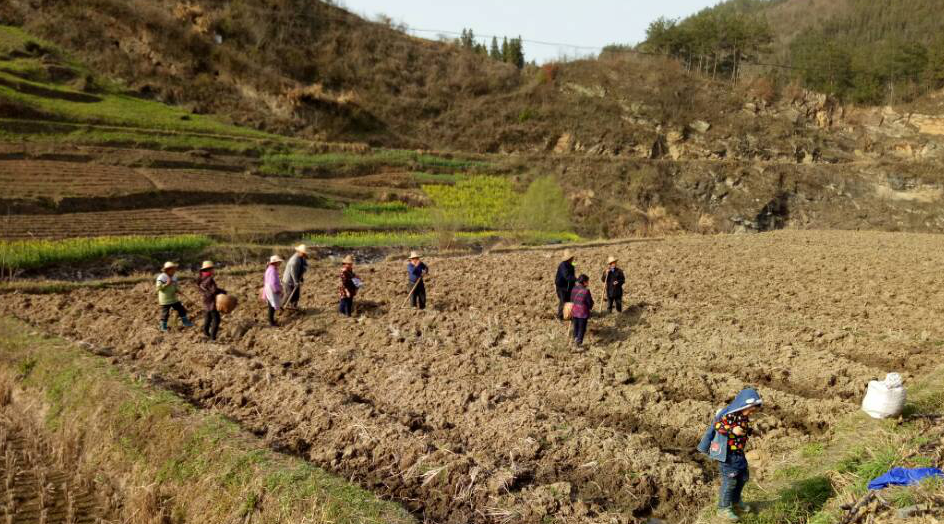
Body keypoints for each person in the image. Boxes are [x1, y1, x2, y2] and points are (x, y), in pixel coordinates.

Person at [698, 388, 764, 521]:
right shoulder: (728, 415)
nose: (752, 412)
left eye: (754, 410)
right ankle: (723, 508)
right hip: (727, 456)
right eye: (751, 409)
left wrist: (751, 431)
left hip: (738, 453)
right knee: (730, 482)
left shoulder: (743, 416)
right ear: (743, 404)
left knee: (743, 477)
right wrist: (732, 429)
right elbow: (718, 426)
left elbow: (743, 428)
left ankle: (735, 501)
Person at [156, 261, 193, 332]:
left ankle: (185, 322)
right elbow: (158, 288)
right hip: (165, 299)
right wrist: (166, 284)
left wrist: (177, 290)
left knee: (181, 309)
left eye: (174, 269)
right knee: (165, 314)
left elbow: (175, 286)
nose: (174, 271)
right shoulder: (162, 277)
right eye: (172, 269)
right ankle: (163, 327)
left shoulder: (174, 277)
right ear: (168, 270)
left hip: (173, 298)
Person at [195, 260, 226, 341]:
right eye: (213, 269)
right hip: (211, 300)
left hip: (205, 299)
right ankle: (213, 337)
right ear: (209, 269)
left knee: (208, 317)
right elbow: (214, 290)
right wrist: (223, 291)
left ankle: (206, 332)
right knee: (216, 319)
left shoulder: (201, 278)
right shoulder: (209, 279)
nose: (214, 270)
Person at [281, 244, 309, 310]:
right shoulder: (295, 260)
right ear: (299, 252)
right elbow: (293, 273)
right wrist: (296, 282)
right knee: (289, 293)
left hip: (296, 278)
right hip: (289, 280)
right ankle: (281, 305)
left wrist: (305, 267)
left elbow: (305, 264)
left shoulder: (301, 257)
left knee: (296, 294)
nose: (304, 255)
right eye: (303, 253)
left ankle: (294, 306)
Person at [570, 274, 594, 348]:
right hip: (582, 313)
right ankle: (578, 342)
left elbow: (571, 299)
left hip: (574, 311)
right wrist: (590, 306)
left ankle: (575, 339)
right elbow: (589, 302)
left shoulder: (574, 288)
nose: (588, 283)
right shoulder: (586, 291)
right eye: (587, 281)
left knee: (575, 326)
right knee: (582, 328)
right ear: (584, 282)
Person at [554, 251, 577, 320]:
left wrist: (574, 284)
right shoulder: (563, 265)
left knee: (570, 300)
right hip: (561, 286)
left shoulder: (571, 264)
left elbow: (572, 274)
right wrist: (576, 279)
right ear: (569, 258)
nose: (573, 258)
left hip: (569, 286)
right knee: (563, 300)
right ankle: (560, 316)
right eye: (572, 257)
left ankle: (569, 314)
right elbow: (567, 276)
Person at [264, 255, 284, 327]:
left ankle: (271, 321)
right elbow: (272, 282)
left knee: (271, 305)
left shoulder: (270, 269)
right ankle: (271, 322)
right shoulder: (272, 270)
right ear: (275, 262)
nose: (279, 263)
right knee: (271, 306)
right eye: (278, 262)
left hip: (269, 288)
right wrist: (277, 290)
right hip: (272, 289)